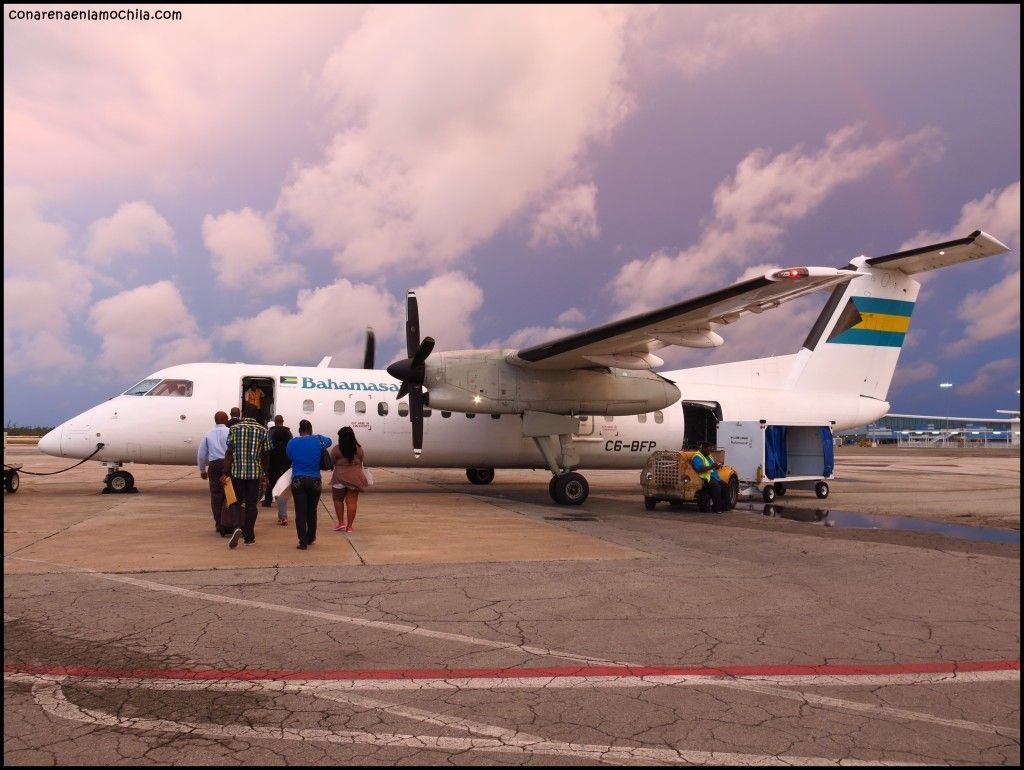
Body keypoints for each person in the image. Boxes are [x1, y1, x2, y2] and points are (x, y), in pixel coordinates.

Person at [222, 404, 269, 548]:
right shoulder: (263, 430)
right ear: (256, 415)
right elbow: (266, 455)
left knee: (235, 502)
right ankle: (249, 536)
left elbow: (229, 452)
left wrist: (225, 472)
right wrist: (265, 474)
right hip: (254, 474)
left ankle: (237, 526)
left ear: (243, 414)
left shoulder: (234, 429)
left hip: (237, 473)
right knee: (251, 505)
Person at [285, 419, 332, 550]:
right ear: (311, 430)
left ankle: (302, 542)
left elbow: (289, 456)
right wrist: (316, 437)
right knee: (312, 510)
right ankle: (311, 537)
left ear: (299, 431)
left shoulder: (292, 442)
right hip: (315, 480)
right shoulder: (318, 440)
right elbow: (329, 441)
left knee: (300, 512)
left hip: (298, 480)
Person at [197, 411, 231, 535]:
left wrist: (202, 470)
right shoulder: (230, 432)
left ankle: (219, 524)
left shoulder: (208, 434)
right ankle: (229, 522)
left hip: (214, 465)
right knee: (229, 495)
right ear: (226, 419)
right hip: (227, 465)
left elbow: (201, 455)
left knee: (216, 496)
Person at [330, 426, 368, 533]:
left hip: (339, 477)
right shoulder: (359, 449)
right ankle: (349, 527)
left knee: (338, 499)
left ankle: (341, 523)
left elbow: (333, 460)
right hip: (355, 477)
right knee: (351, 502)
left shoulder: (336, 449)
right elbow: (361, 460)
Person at [264, 415, 293, 526]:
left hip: (273, 463)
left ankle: (268, 502)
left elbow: (267, 448)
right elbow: (291, 447)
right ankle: (282, 513)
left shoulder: (271, 433)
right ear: (282, 422)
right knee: (283, 487)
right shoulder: (288, 433)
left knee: (271, 483)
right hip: (285, 464)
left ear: (275, 422)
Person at [691, 442, 729, 513]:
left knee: (725, 486)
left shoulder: (708, 456)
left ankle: (725, 506)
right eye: (708, 450)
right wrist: (712, 466)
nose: (709, 452)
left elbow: (712, 465)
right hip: (705, 478)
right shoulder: (697, 457)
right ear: (703, 448)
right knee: (716, 487)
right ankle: (716, 508)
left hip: (714, 477)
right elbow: (699, 469)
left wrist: (717, 466)